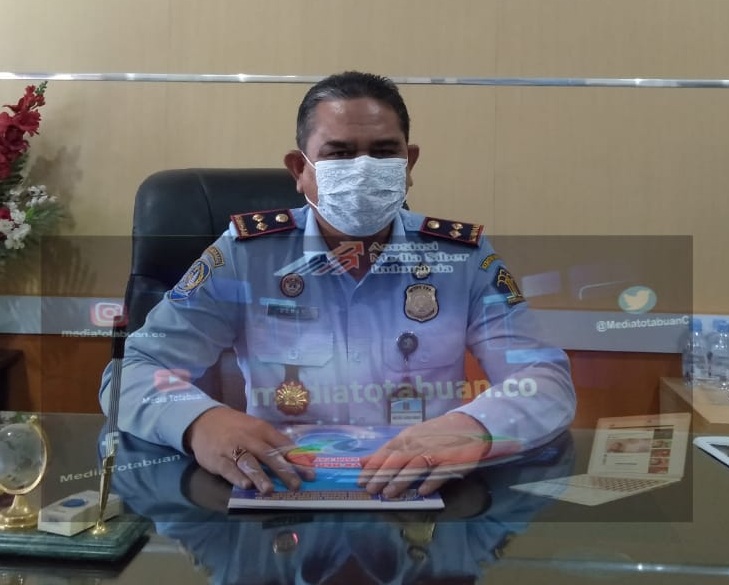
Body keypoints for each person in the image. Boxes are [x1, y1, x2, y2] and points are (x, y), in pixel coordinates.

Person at [99, 71, 575, 499]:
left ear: (408, 163)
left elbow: (544, 380)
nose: (363, 168)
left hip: (419, 496)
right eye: (340, 153)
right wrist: (201, 422)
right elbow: (133, 371)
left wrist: (474, 427)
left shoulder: (461, 257)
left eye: (383, 152)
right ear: (299, 169)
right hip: (282, 496)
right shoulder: (247, 255)